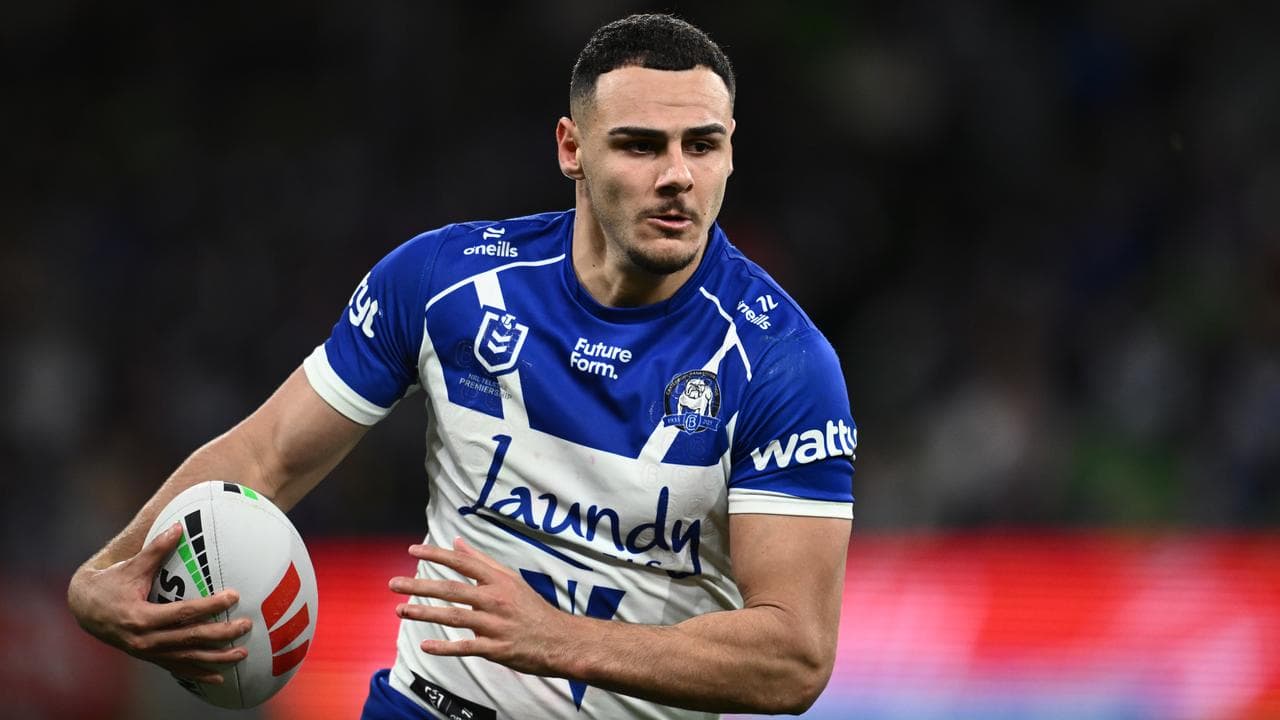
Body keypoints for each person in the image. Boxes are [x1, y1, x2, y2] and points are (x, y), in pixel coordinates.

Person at [67, 13, 856, 719]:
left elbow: (794, 659)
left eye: (702, 145)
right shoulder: (445, 282)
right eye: (640, 144)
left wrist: (553, 638)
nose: (677, 174)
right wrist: (105, 574)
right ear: (572, 149)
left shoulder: (783, 364)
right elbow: (266, 456)